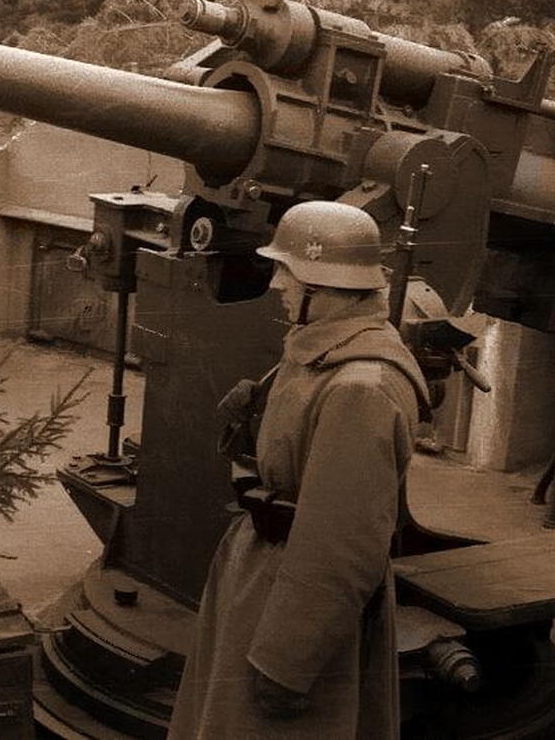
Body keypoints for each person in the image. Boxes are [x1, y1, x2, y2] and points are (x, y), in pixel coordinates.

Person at [169, 201, 431, 739]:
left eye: (286, 270)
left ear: (321, 282)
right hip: (267, 578)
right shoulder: (324, 348)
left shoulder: (362, 389)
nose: (277, 284)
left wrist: (288, 660)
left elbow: (343, 545)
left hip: (293, 601)